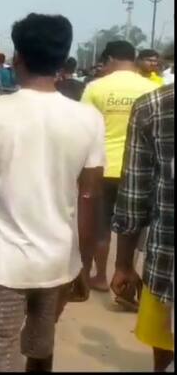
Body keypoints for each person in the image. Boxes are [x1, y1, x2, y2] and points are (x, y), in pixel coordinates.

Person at [0, 13, 105, 372]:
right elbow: (89, 198)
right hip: (58, 260)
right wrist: (84, 262)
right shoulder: (88, 119)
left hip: (4, 263)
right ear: (62, 62)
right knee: (41, 349)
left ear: (18, 58)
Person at [80, 41, 159, 294]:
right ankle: (124, 275)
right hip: (141, 170)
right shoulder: (153, 89)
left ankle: (100, 276)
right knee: (134, 228)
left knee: (100, 227)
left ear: (110, 59)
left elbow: (83, 130)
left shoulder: (96, 87)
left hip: (101, 166)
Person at [110, 83, 174, 372]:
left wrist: (123, 264)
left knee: (165, 348)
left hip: (168, 265)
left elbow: (135, 197)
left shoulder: (155, 106)